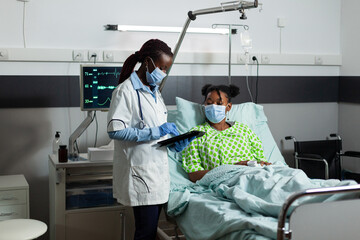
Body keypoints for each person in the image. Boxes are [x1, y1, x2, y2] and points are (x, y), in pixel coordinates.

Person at [107, 39, 192, 240]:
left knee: (150, 232)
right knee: (145, 233)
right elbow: (115, 131)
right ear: (147, 62)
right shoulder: (125, 91)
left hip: (158, 175)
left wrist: (174, 144)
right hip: (141, 174)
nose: (163, 73)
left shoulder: (155, 93)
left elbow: (158, 134)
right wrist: (155, 131)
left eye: (166, 69)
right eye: (161, 67)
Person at [182, 84, 271, 182]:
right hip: (231, 181)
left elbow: (261, 160)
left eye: (219, 103)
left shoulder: (244, 130)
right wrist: (232, 168)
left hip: (258, 174)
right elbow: (194, 175)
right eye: (209, 103)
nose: (213, 107)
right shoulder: (196, 135)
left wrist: (262, 164)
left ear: (229, 106)